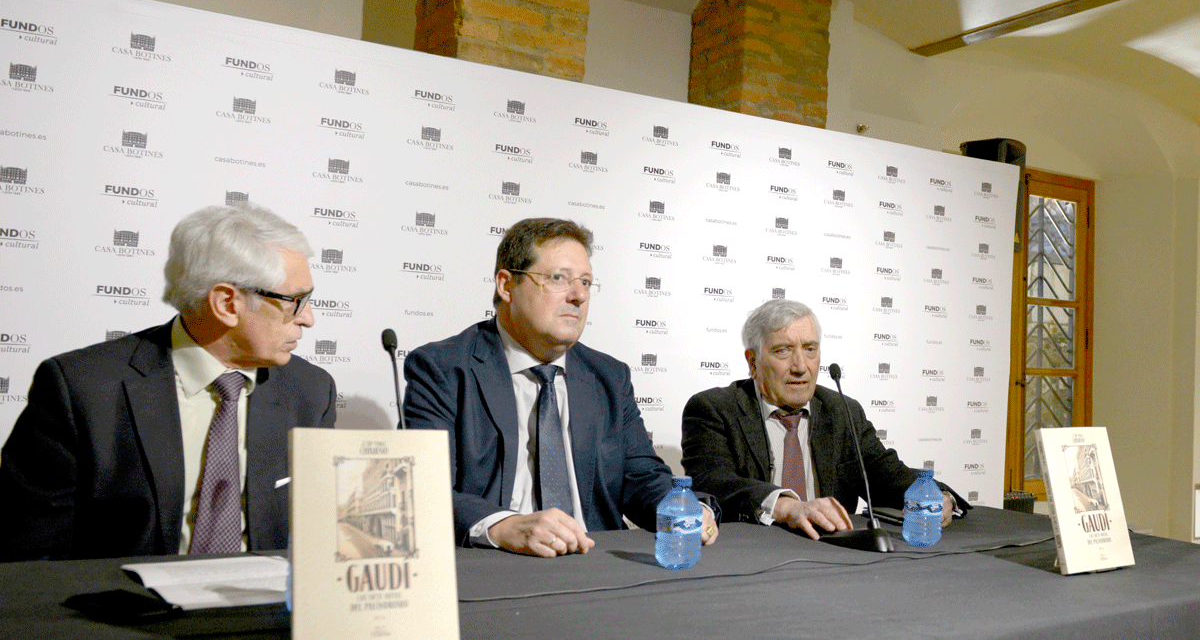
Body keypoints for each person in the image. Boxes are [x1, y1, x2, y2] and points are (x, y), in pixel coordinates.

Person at [0, 204, 336, 561]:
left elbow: (317, 538)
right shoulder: (81, 388)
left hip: (263, 611)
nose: (309, 319)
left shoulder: (311, 392)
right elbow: (29, 559)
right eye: (296, 302)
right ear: (226, 303)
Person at [404, 217, 718, 557]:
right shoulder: (443, 368)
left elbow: (641, 477)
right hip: (494, 561)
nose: (579, 295)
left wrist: (685, 506)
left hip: (594, 559)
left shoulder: (608, 376)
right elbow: (424, 490)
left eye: (585, 282)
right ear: (506, 286)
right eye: (558, 278)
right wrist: (501, 525)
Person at [681, 299, 965, 540]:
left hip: (833, 554)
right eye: (783, 350)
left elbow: (884, 473)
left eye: (810, 349)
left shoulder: (841, 410)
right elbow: (713, 482)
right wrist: (786, 507)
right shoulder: (714, 409)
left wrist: (936, 495)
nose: (800, 366)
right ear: (753, 362)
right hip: (753, 554)